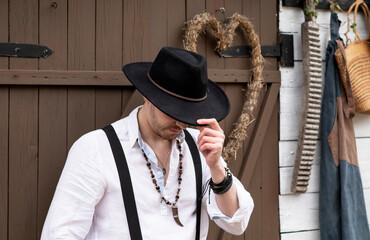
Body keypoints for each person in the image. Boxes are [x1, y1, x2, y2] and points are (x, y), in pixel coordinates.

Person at [41, 47, 254, 240]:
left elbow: (235, 222)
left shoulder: (200, 149)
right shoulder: (95, 149)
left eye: (188, 114)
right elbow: (60, 234)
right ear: (148, 96)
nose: (181, 122)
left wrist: (216, 167)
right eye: (173, 111)